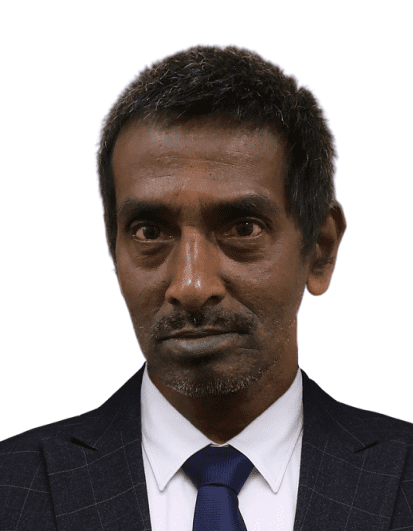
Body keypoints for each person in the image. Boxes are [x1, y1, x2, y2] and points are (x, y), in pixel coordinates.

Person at [0, 45, 411, 531]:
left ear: (319, 250)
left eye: (243, 228)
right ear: (114, 247)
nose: (192, 285)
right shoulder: (13, 488)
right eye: (150, 232)